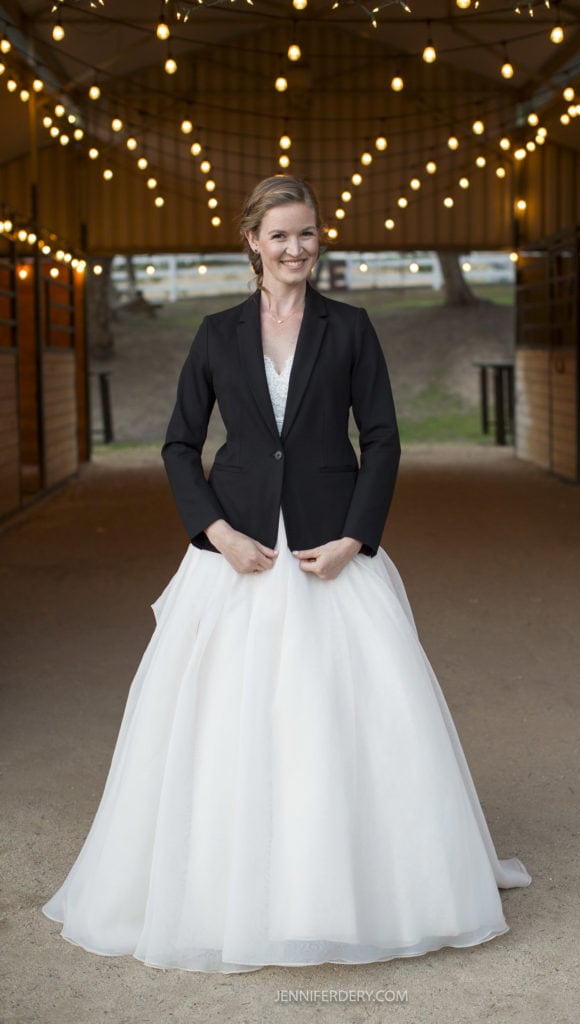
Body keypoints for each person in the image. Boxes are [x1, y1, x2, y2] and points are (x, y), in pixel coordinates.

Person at [42, 176, 530, 974]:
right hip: (237, 549)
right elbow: (178, 445)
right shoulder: (215, 333)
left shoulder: (351, 327)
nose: (295, 248)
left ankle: (356, 885)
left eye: (306, 233)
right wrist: (217, 533)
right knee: (221, 718)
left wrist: (354, 539)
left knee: (349, 713)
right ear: (252, 242)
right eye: (280, 235)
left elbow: (382, 438)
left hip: (327, 544)